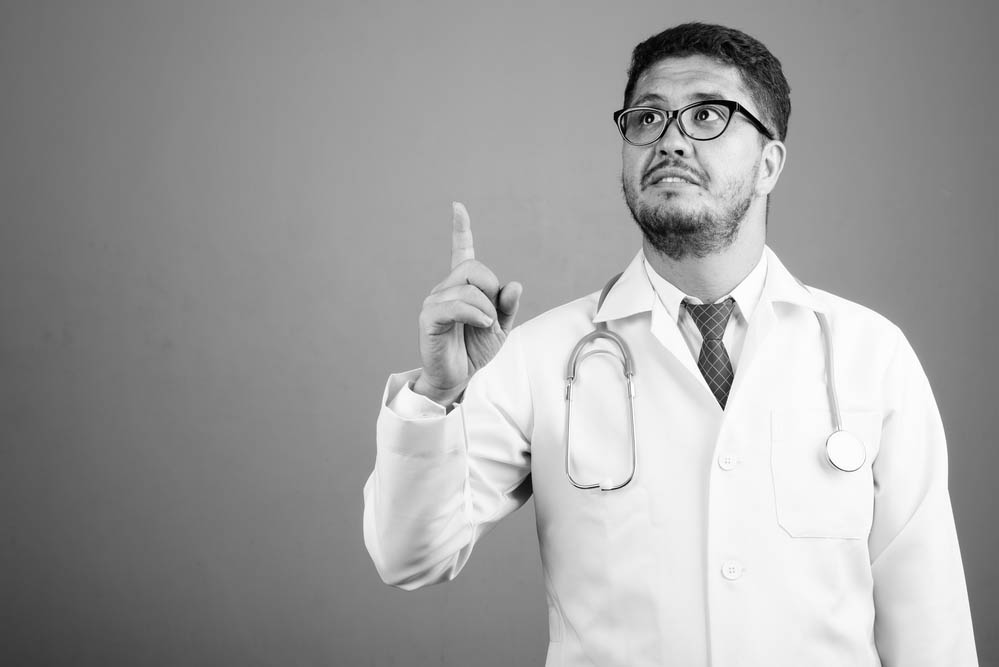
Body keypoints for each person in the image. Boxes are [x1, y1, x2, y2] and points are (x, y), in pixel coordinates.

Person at [362, 22, 978, 666]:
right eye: (648, 118)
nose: (672, 139)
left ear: (769, 164)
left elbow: (928, 619)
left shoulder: (870, 355)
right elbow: (407, 558)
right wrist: (436, 394)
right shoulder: (539, 357)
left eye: (707, 115)